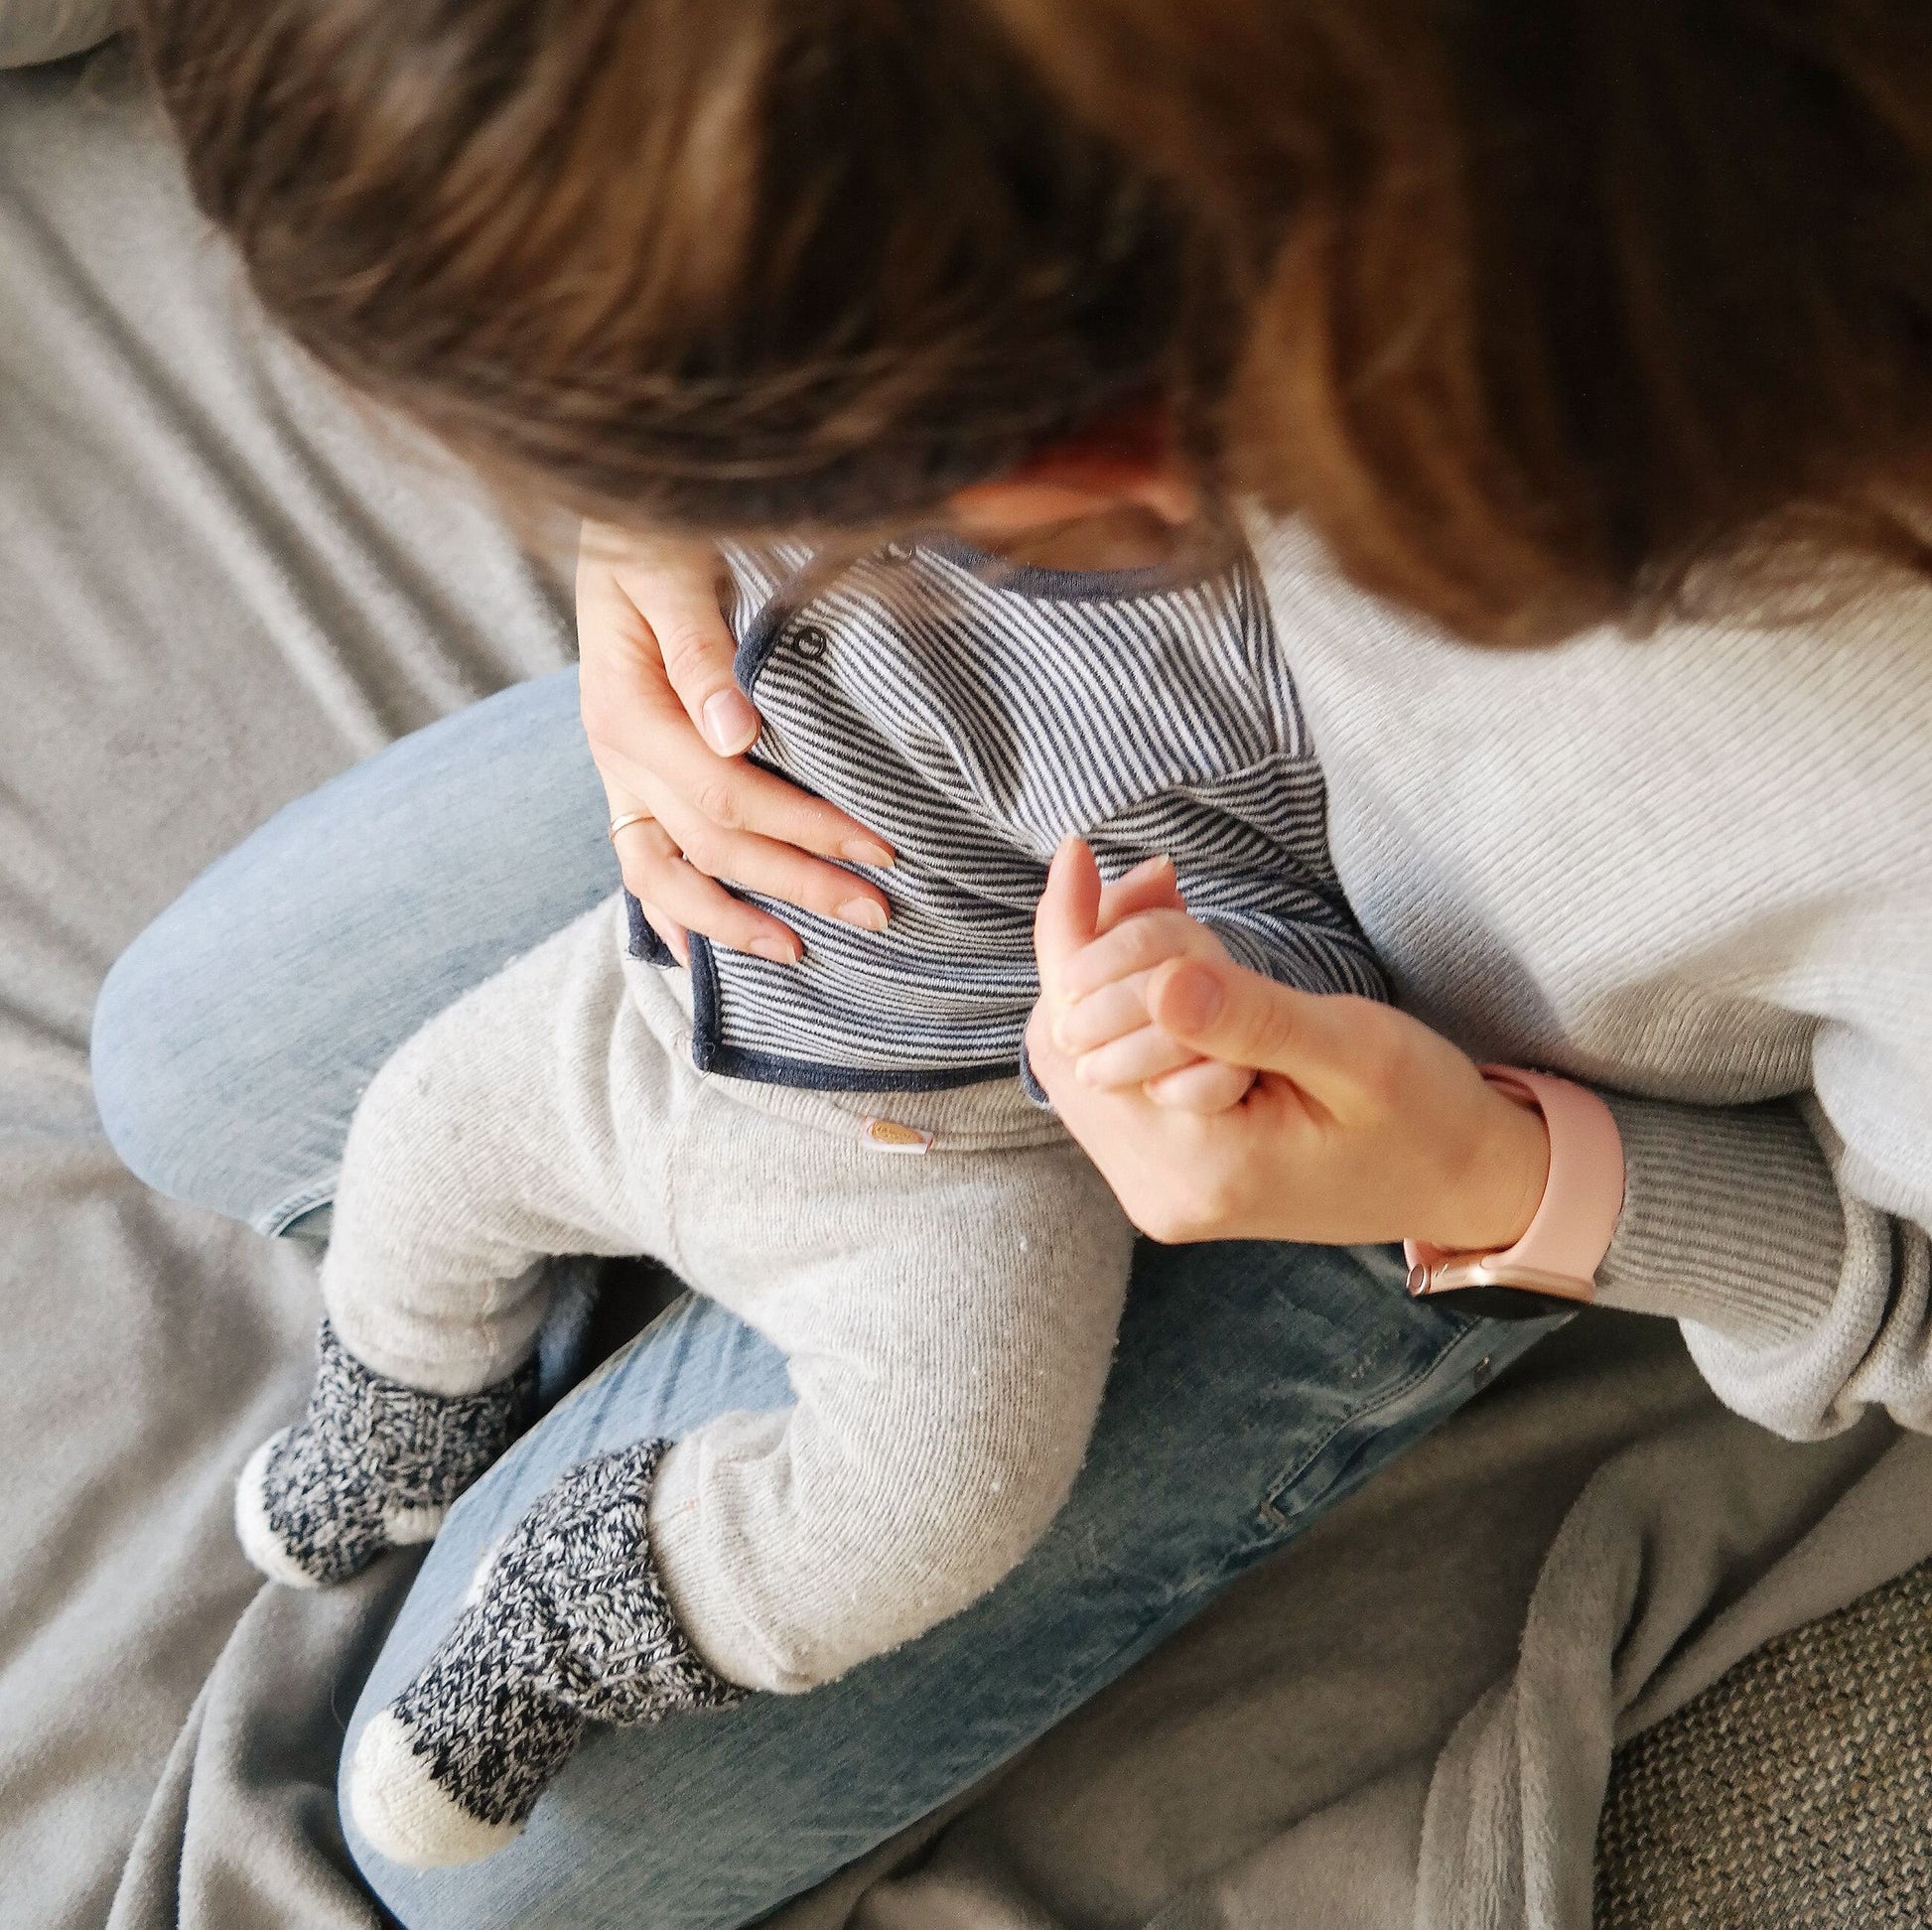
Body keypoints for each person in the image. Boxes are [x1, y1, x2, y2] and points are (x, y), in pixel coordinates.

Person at [96, 0, 1932, 1922]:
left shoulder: (1835, 746)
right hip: (895, 745)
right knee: (187, 1068)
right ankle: (455, 1357)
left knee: (485, 1874)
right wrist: (642, 492)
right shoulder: (1064, 177)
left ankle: (617, 1552)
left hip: (1372, 1090)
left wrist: (1495, 1177)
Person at [238, 522, 1398, 1867]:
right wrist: (630, 516)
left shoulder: (1204, 668)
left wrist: (1176, 1023)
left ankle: (578, 1615)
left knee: (944, 1483)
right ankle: (403, 1415)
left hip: (952, 1164)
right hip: (656, 999)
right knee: (417, 1134)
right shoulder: (761, 416)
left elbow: (1316, 936)